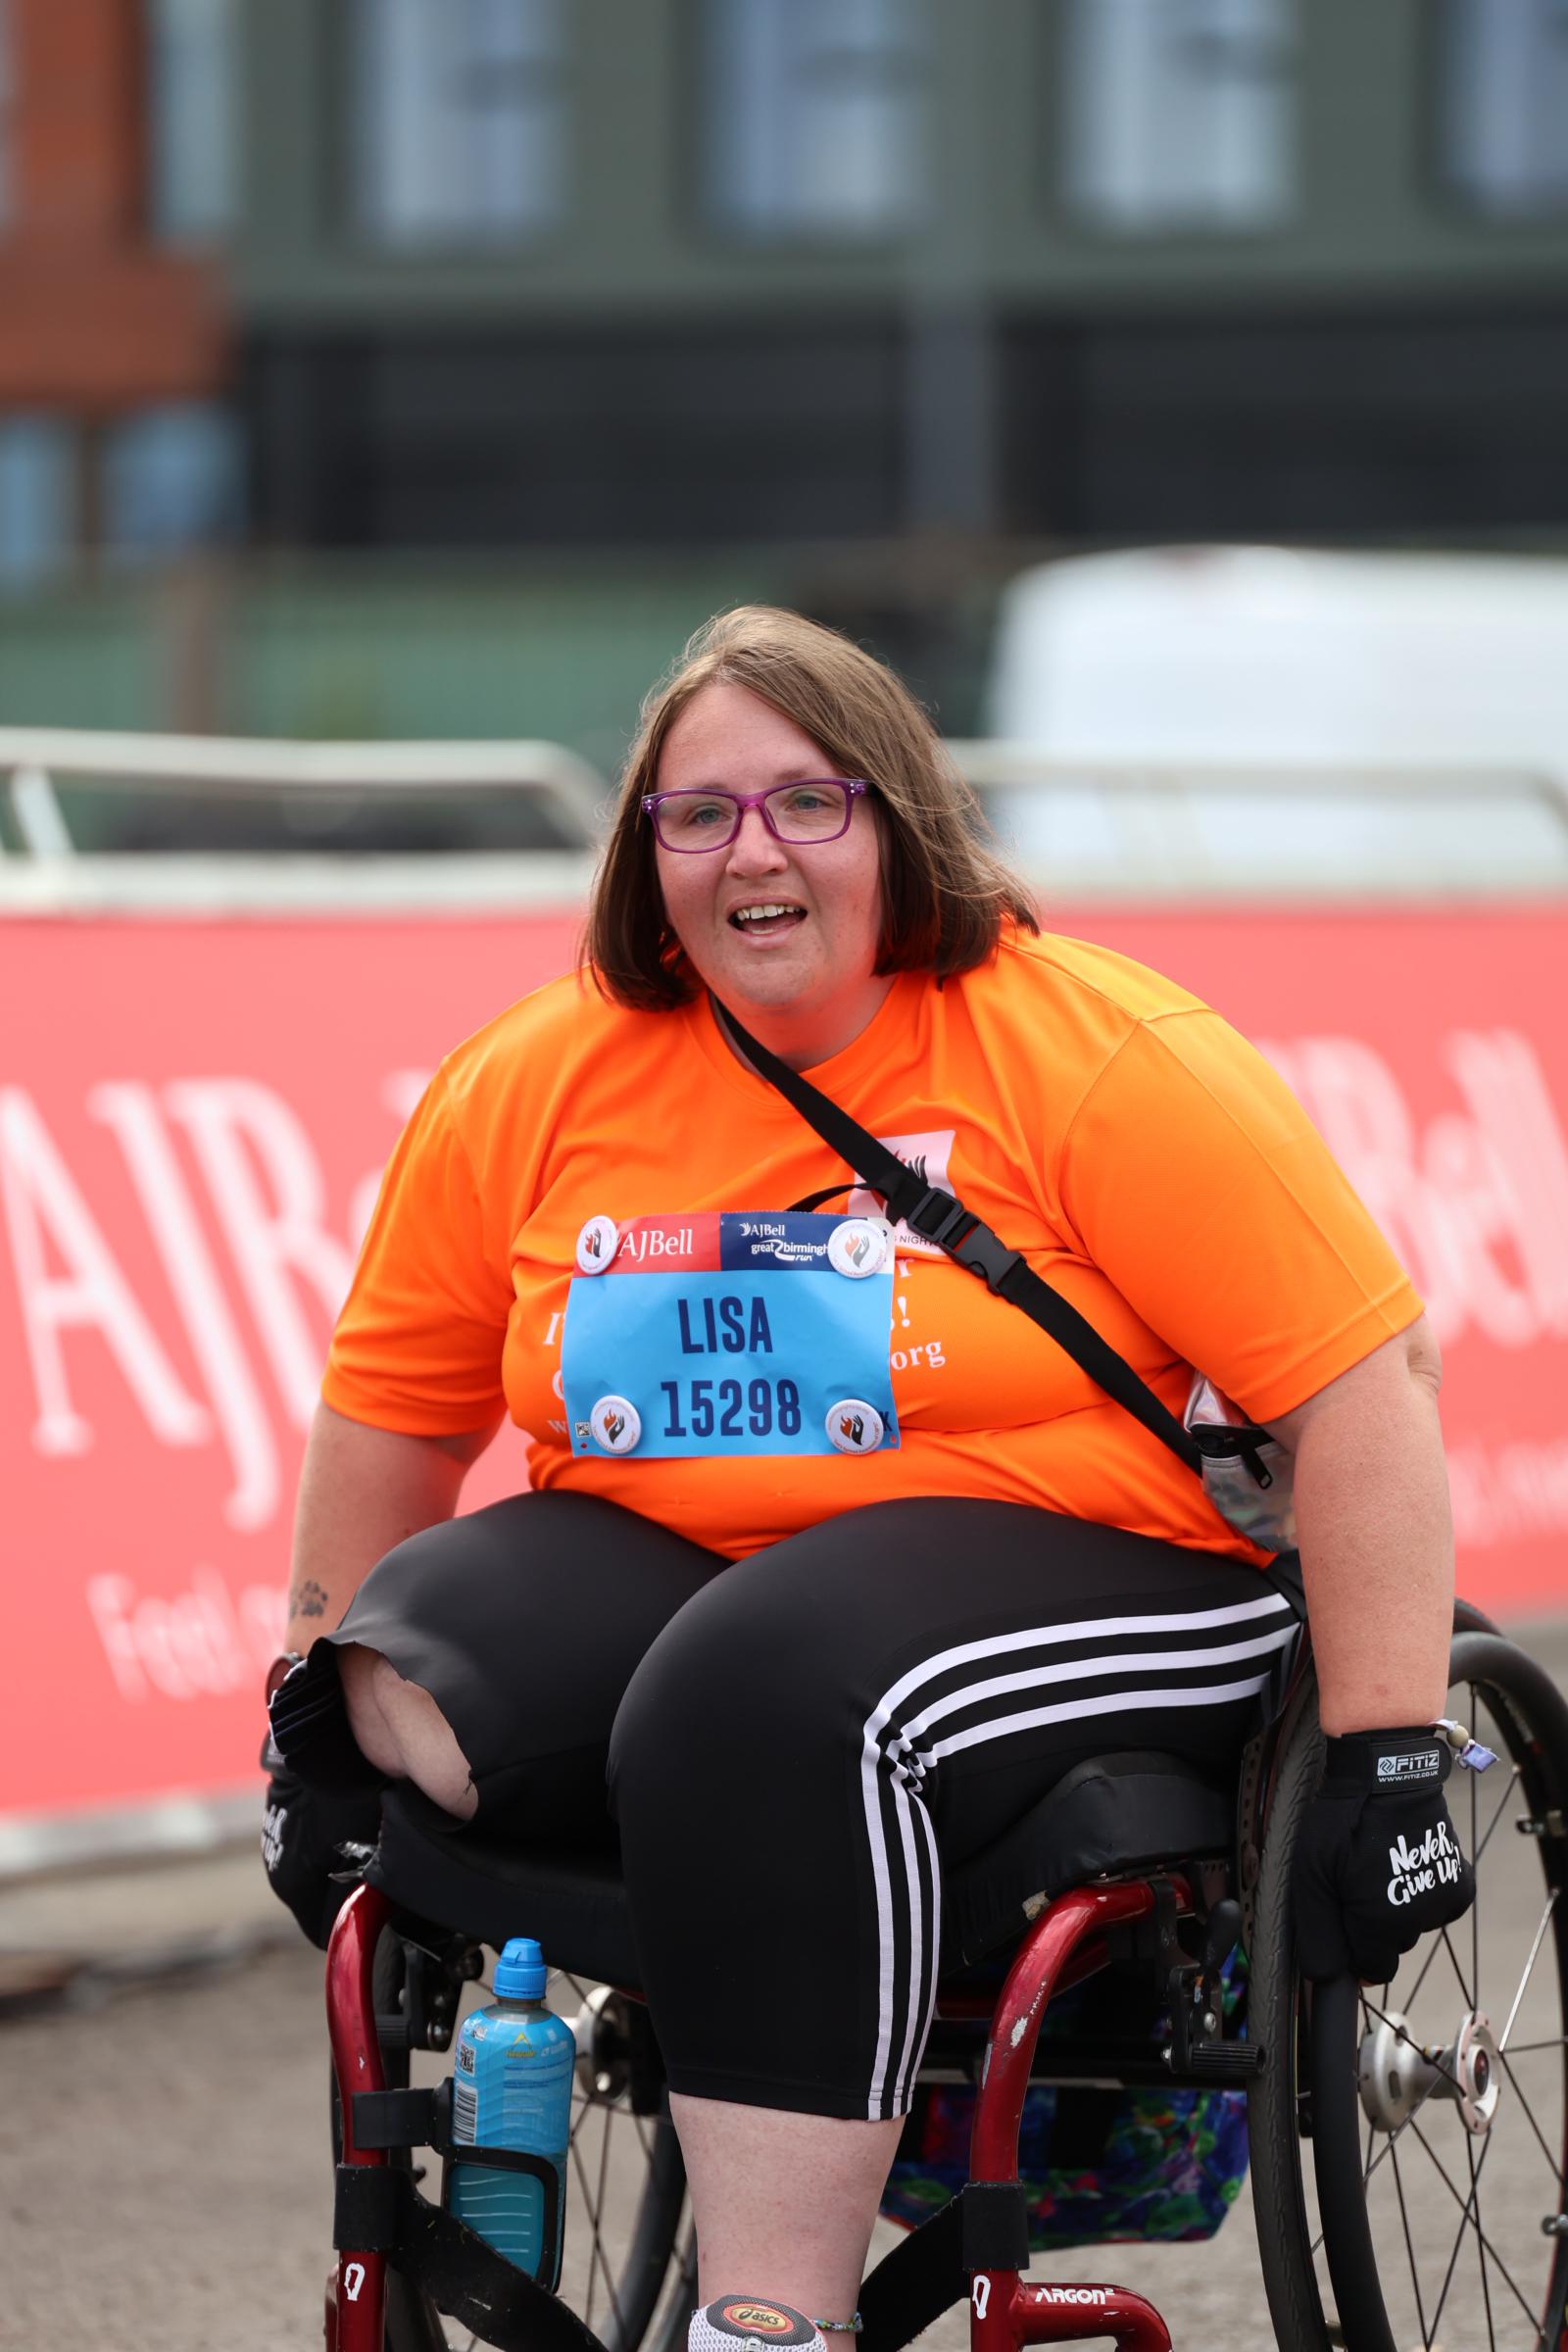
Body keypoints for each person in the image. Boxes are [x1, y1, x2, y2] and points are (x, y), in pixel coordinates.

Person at [264, 607, 1470, 2344]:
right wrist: (301, 1690)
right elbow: (391, 1410)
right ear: (647, 856)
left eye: (807, 804)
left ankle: (771, 2314)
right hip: (689, 1562)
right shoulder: (535, 1075)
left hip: (1104, 1553)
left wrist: (1387, 1750)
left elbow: (1368, 1390)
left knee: (761, 1689)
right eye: (700, 816)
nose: (753, 850)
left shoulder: (1092, 1053)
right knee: (399, 1680)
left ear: (897, 825)